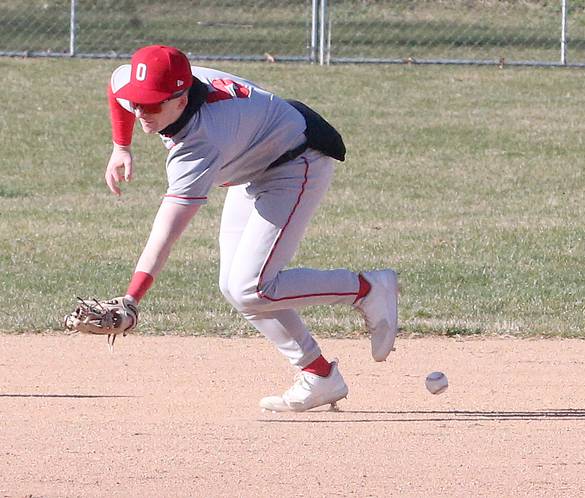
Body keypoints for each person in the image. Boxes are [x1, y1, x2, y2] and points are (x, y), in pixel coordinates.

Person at [104, 45, 398, 412]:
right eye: (138, 102)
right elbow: (118, 85)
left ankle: (368, 288)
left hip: (295, 163)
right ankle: (320, 376)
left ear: (181, 100)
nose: (142, 111)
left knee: (251, 286)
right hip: (254, 159)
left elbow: (167, 232)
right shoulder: (157, 90)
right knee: (235, 286)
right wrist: (122, 146)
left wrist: (132, 298)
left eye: (152, 104)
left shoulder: (201, 140)